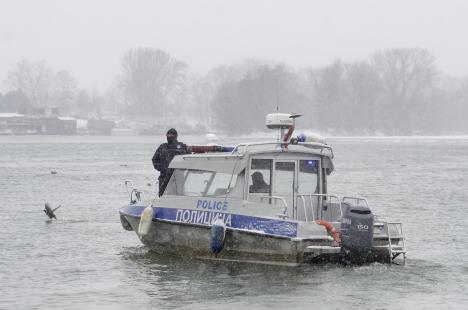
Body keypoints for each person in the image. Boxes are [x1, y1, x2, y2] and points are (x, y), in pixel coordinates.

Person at [152, 128, 188, 196]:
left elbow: (189, 160)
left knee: (179, 196)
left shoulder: (182, 147)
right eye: (168, 135)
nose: (169, 136)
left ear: (176, 136)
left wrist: (182, 169)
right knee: (163, 197)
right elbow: (154, 160)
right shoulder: (162, 147)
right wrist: (162, 168)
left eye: (172, 135)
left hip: (178, 177)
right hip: (164, 177)